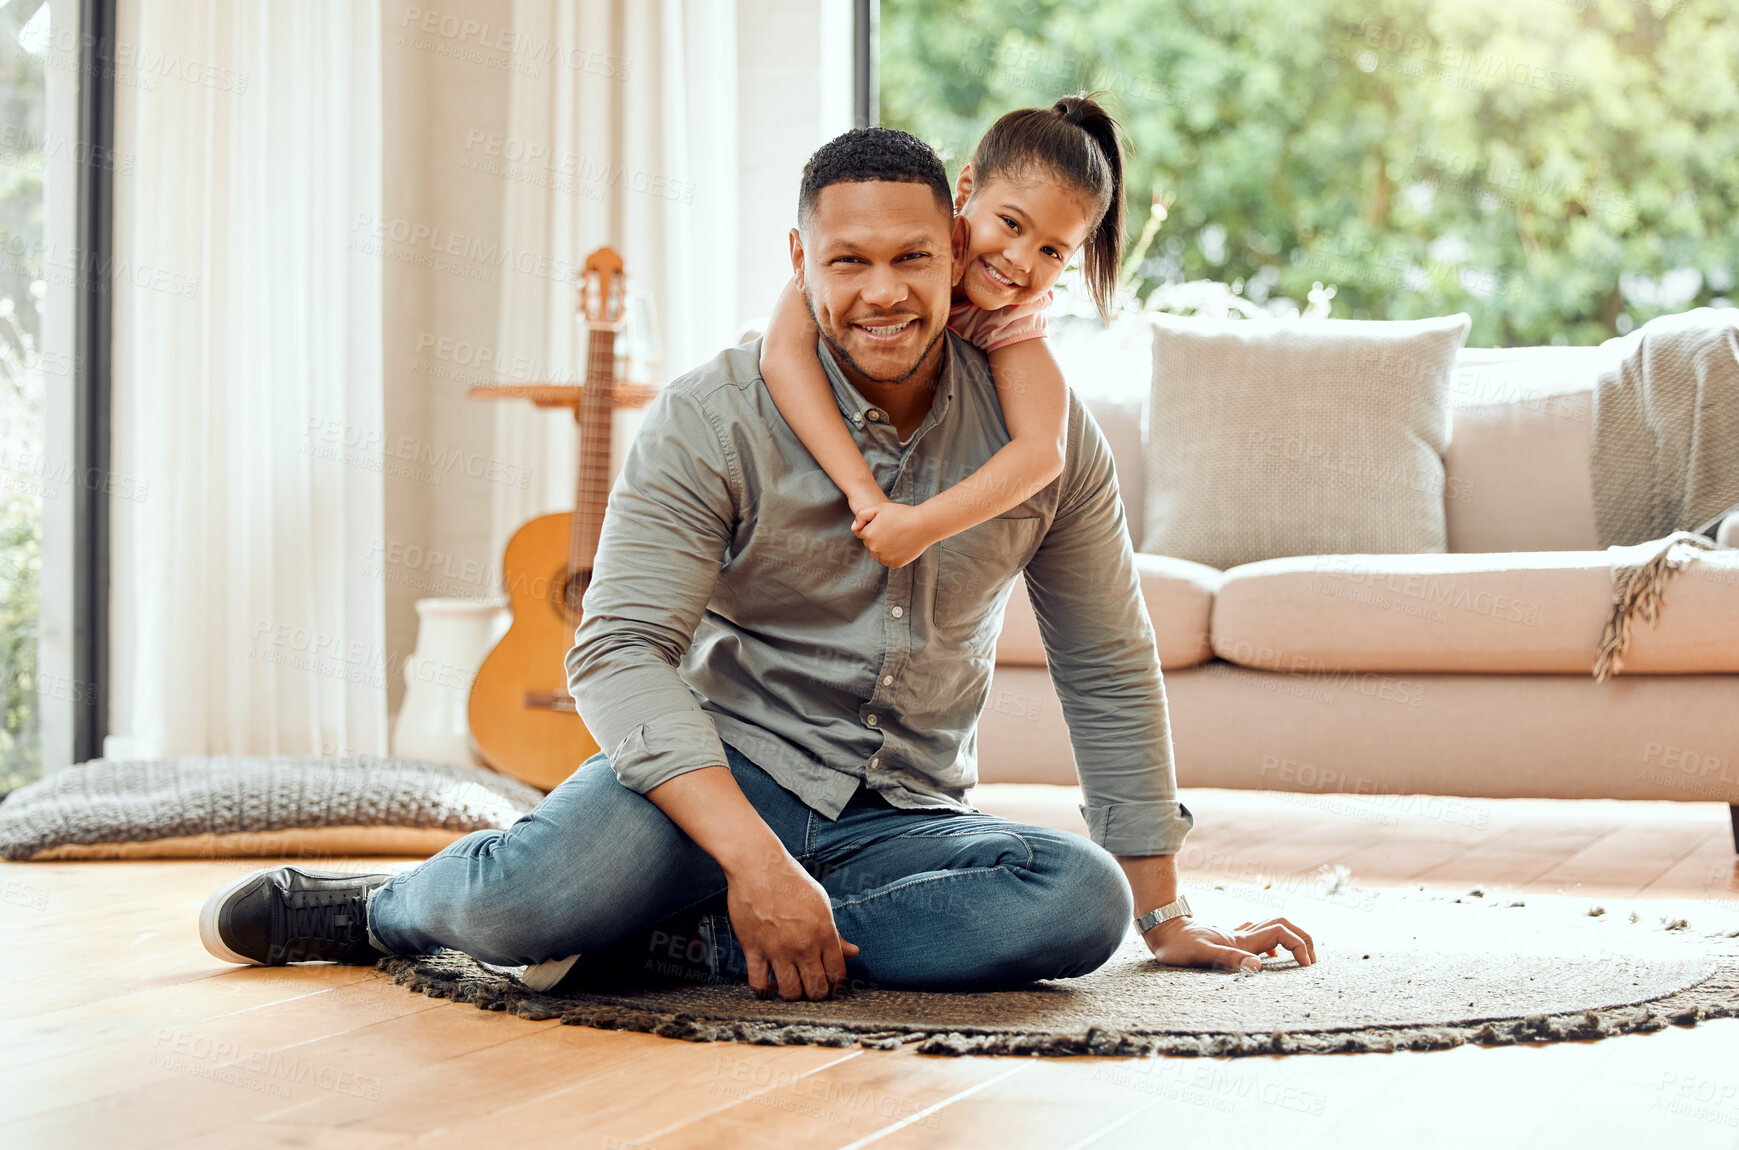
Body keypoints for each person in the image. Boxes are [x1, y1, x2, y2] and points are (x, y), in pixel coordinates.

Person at [199, 125, 1316, 1002]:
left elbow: (1107, 659)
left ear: (955, 250)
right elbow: (620, 647)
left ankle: (691, 945)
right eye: (849, 262)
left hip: (905, 816)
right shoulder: (715, 414)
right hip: (717, 780)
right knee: (533, 898)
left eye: (912, 259)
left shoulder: (1042, 440)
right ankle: (382, 909)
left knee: (1077, 904)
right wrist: (754, 856)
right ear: (800, 261)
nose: (884, 292)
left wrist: (1162, 916)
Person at [761, 94, 1123, 569]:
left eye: (1052, 252)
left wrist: (921, 525)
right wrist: (867, 497)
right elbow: (782, 355)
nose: (1020, 259)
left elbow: (1042, 451)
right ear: (966, 187)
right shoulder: (873, 247)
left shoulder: (1009, 318)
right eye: (1011, 223)